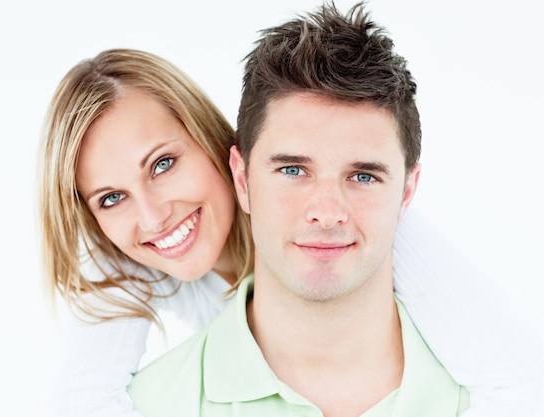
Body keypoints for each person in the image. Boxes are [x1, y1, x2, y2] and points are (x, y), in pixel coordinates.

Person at [38, 31, 543, 417]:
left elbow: (519, 381)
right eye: (111, 198)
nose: (151, 215)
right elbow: (80, 401)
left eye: (163, 164)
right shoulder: (129, 252)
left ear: (221, 151)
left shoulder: (355, 220)